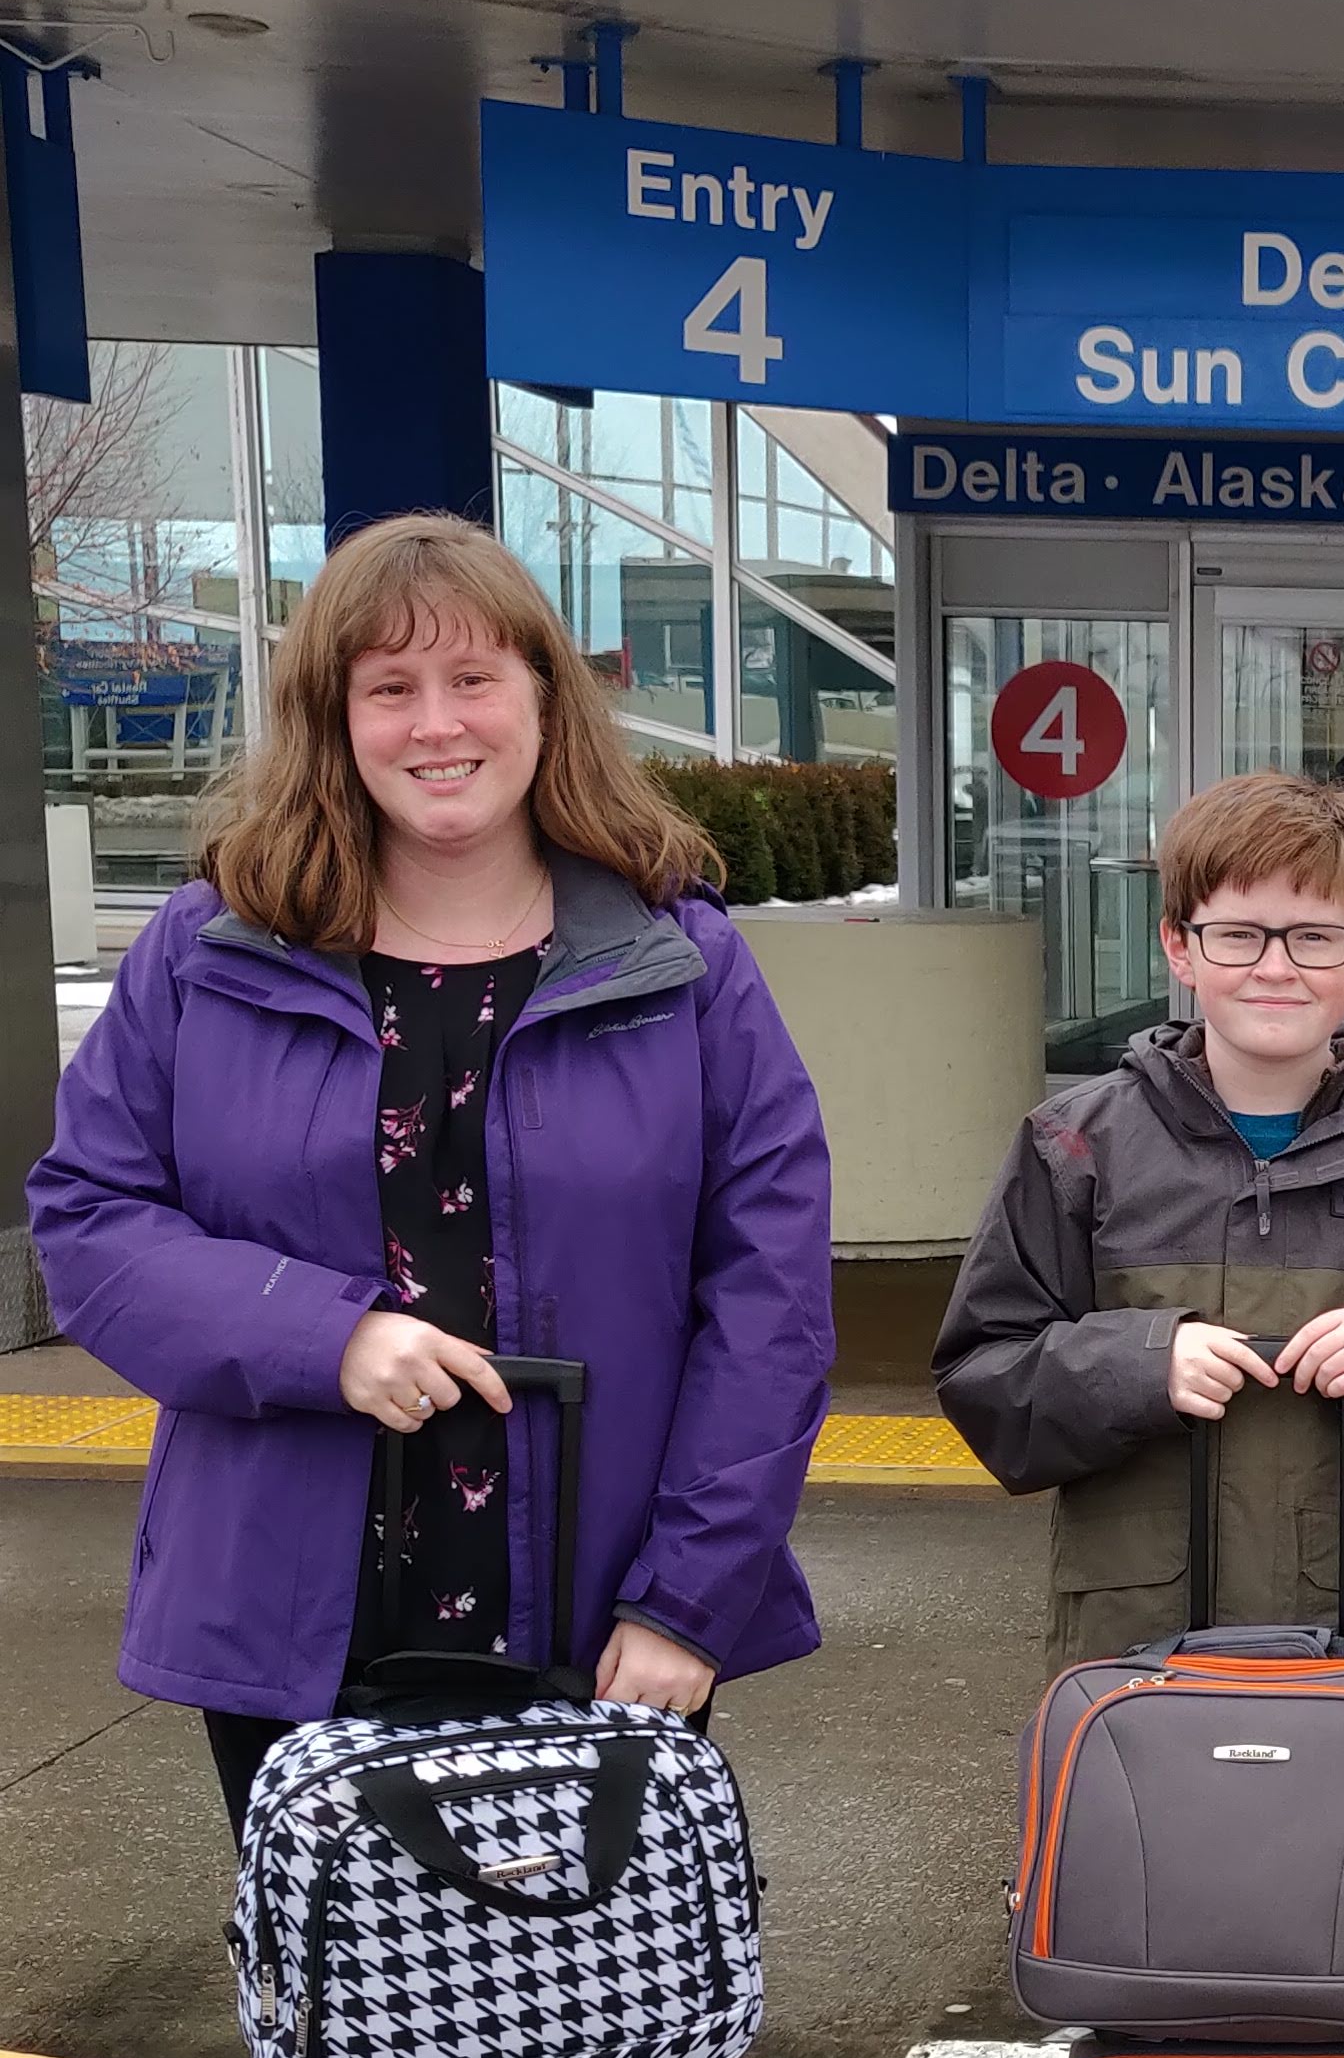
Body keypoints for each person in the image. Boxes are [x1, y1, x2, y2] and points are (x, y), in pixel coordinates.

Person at [29, 511, 836, 1839]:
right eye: (390, 688)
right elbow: (88, 1221)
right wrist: (325, 1337)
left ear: (543, 698)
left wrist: (691, 1599)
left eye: (473, 678)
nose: (437, 723)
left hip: (608, 1620)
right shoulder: (210, 950)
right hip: (294, 1620)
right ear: (333, 719)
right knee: (339, 1971)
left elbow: (771, 1297)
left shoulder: (679, 959)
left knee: (598, 1974)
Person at [934, 771, 1344, 1671]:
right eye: (1238, 934)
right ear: (1179, 945)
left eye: (1314, 936)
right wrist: (1137, 1365)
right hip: (1136, 1665)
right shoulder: (1075, 1147)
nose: (1275, 968)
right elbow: (982, 1379)